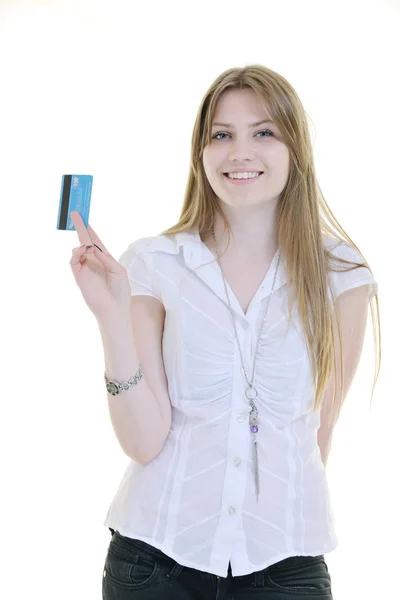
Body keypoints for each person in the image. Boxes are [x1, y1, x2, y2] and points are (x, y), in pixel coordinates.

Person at [70, 64, 381, 599]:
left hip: (287, 566)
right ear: (201, 153)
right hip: (154, 563)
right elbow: (144, 442)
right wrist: (111, 320)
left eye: (263, 132)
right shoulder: (155, 262)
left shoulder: (342, 273)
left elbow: (318, 434)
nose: (240, 152)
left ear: (295, 150)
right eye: (222, 135)